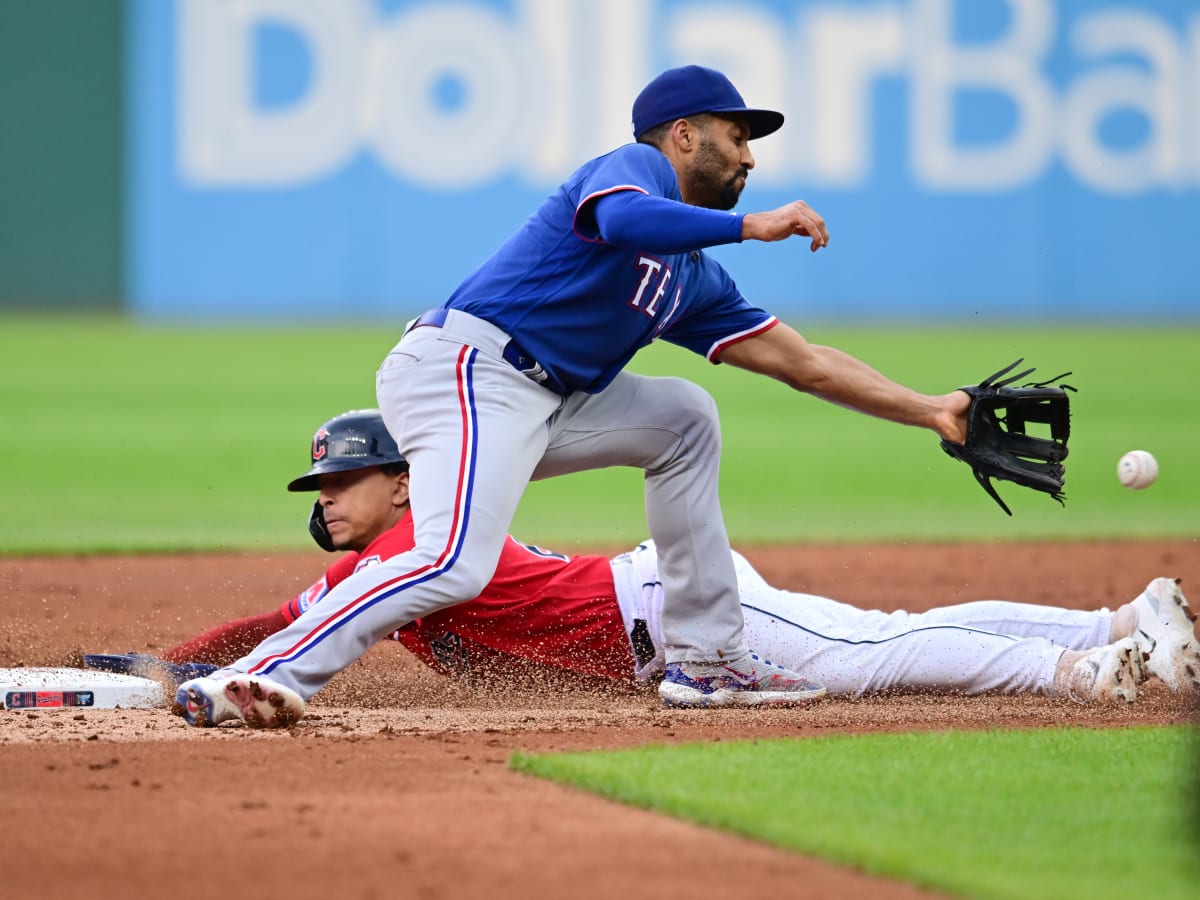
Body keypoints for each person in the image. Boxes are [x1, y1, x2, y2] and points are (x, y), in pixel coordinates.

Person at [181, 63, 980, 716]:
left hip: (545, 402)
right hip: (467, 369)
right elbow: (628, 221)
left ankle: (707, 662)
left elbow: (804, 363)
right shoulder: (630, 169)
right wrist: (752, 224)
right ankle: (261, 676)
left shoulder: (691, 278)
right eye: (737, 136)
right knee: (455, 562)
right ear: (683, 135)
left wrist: (931, 411)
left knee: (685, 418)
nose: (750, 157)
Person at [117, 410, 1197, 728]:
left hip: (670, 615)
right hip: (660, 611)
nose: (328, 504)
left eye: (340, 485)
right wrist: (176, 662)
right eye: (319, 494)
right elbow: (286, 619)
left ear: (402, 484)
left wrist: (197, 673)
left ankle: (1081, 673)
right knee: (882, 630)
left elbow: (287, 630)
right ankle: (1111, 622)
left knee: (879, 655)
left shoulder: (412, 545)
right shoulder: (397, 554)